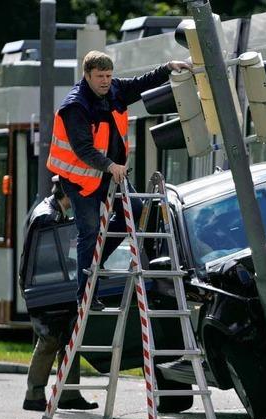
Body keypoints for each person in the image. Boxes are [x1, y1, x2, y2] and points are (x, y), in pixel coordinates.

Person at [46, 50, 191, 310]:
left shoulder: (115, 90)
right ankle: (87, 296)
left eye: (109, 75)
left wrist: (168, 66)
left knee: (135, 212)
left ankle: (97, 259)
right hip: (80, 179)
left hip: (111, 174)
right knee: (89, 231)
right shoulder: (75, 107)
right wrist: (110, 165)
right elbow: (83, 149)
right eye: (100, 76)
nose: (105, 81)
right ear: (87, 75)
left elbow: (142, 82)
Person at [20, 176, 98, 411]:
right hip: (45, 287)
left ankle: (68, 393)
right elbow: (48, 259)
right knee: (50, 339)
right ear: (69, 193)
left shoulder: (52, 211)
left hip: (50, 285)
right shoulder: (48, 217)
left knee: (68, 339)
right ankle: (34, 395)